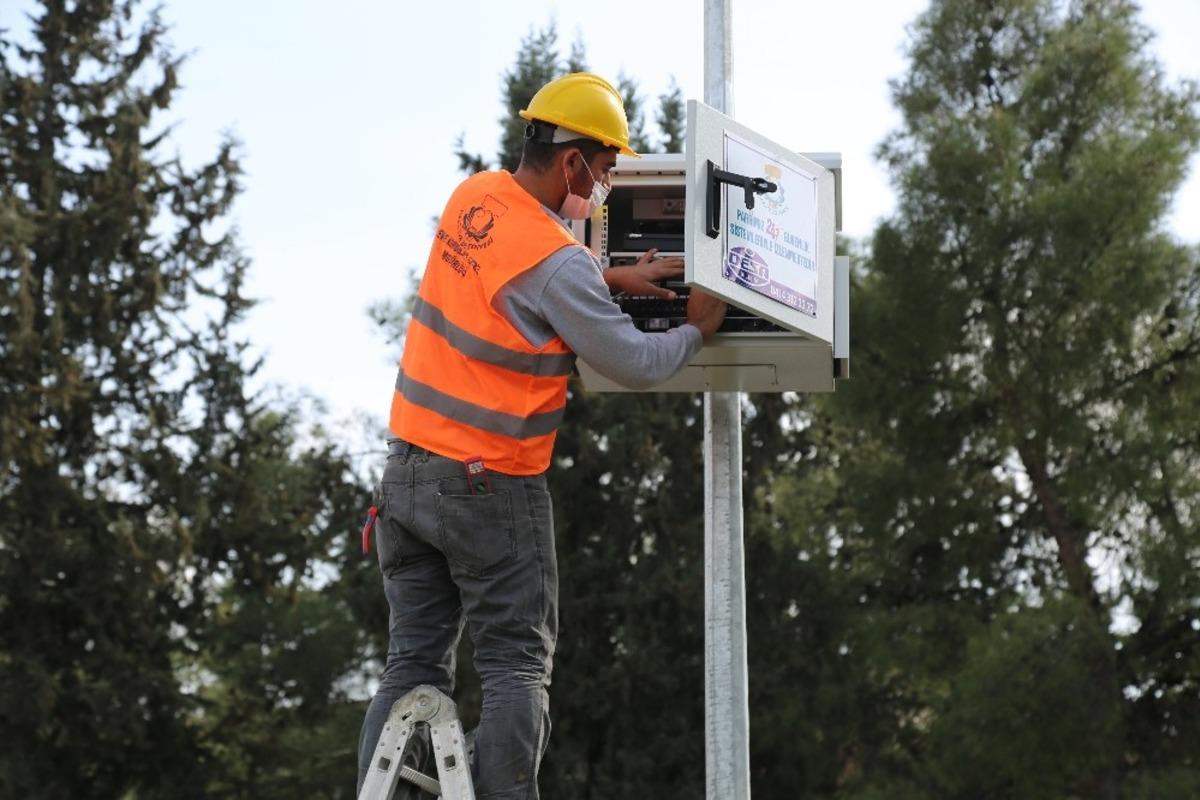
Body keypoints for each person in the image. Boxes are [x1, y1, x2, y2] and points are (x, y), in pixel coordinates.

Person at [357, 72, 726, 799]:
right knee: (515, 666)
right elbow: (634, 362)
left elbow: (522, 268)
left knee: (412, 666)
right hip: (488, 487)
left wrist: (614, 276)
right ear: (573, 164)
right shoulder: (557, 264)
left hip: (404, 476)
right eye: (608, 167)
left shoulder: (476, 197)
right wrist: (697, 326)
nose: (609, 182)